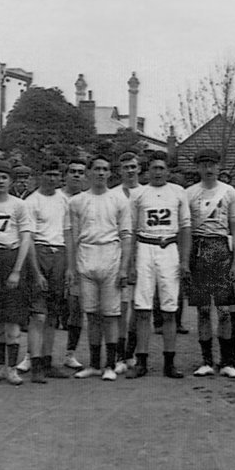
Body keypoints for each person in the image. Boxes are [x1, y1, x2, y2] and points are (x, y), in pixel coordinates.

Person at [68, 155, 133, 381]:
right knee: (91, 314)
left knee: (111, 315)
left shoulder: (119, 200)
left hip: (110, 256)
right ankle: (94, 364)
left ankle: (110, 364)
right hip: (86, 255)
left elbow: (126, 235)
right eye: (96, 169)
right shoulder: (76, 201)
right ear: (89, 172)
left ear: (109, 173)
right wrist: (72, 266)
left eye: (105, 169)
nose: (101, 173)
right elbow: (73, 236)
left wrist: (124, 268)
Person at [126, 151, 190, 379]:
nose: (158, 172)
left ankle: (169, 362)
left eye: (162, 168)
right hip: (145, 247)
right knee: (143, 308)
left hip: (169, 248)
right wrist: (131, 263)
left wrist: (184, 260)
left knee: (170, 309)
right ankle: (141, 361)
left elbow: (185, 228)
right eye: (154, 168)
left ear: (168, 171)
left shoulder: (178, 192)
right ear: (147, 171)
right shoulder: (139, 194)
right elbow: (132, 231)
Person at [185, 149, 235, 378]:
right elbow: (186, 230)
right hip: (199, 249)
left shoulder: (229, 192)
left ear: (219, 167)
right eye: (204, 164)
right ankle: (206, 361)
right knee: (203, 310)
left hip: (221, 249)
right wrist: (185, 262)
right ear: (198, 167)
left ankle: (227, 361)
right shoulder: (189, 193)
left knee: (225, 310)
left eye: (212, 164)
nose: (208, 169)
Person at [0, 163, 33, 385]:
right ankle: (1, 367)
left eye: (4, 177)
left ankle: (12, 368)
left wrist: (17, 270)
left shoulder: (19, 205)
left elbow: (26, 238)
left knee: (12, 319)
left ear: (10, 181)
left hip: (12, 258)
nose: (0, 181)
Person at [24, 159, 73, 382]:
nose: (52, 179)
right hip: (40, 253)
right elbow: (29, 239)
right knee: (39, 314)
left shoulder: (64, 200)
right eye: (48, 174)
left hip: (59, 255)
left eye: (56, 174)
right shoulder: (32, 201)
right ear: (40, 175)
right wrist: (36, 272)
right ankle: (35, 365)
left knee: (53, 313)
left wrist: (70, 266)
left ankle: (47, 360)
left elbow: (68, 234)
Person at [115, 151, 144, 374]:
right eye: (126, 167)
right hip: (118, 253)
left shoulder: (146, 193)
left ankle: (132, 352)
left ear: (139, 169)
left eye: (133, 166)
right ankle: (119, 354)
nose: (130, 171)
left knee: (138, 307)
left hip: (144, 253)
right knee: (120, 307)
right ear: (120, 170)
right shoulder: (113, 194)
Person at [61, 158, 87, 370]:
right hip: (54, 253)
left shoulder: (87, 199)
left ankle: (70, 353)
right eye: (73, 171)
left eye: (80, 172)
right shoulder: (57, 197)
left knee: (75, 308)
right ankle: (32, 354)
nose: (77, 175)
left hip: (78, 256)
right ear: (66, 175)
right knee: (46, 308)